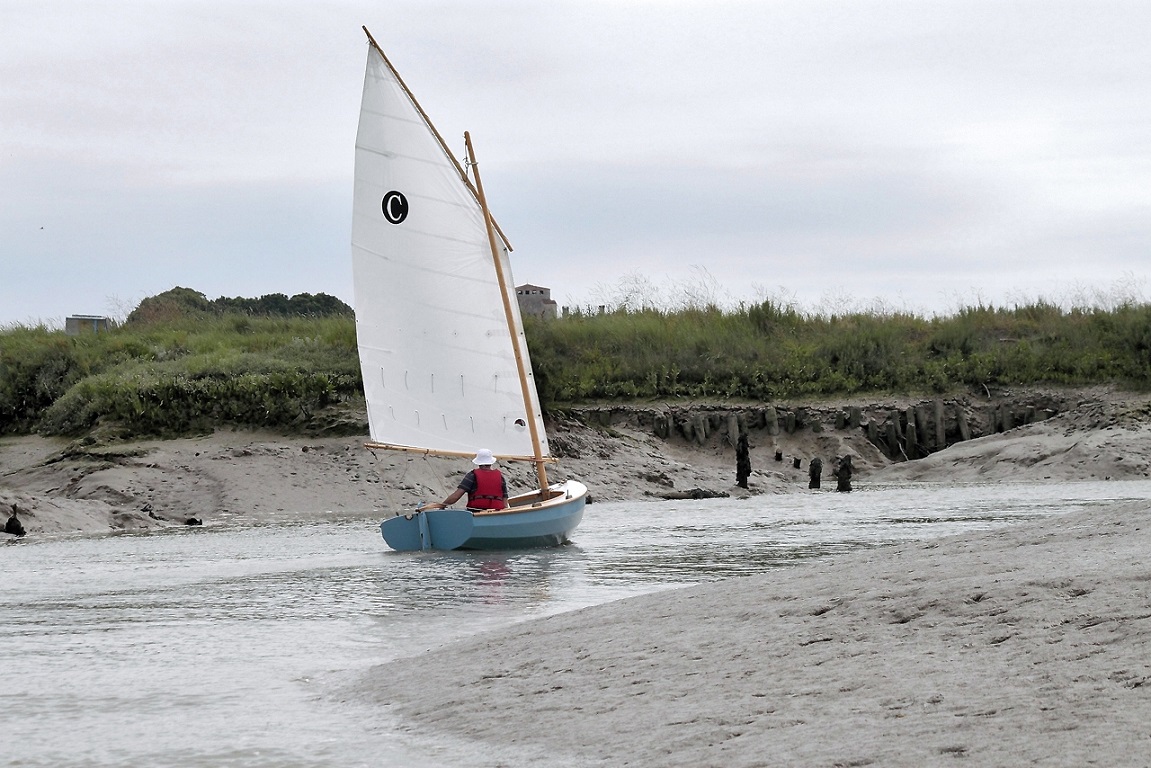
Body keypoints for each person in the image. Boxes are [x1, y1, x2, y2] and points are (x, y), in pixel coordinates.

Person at [422, 449, 508, 511]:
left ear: (478, 462)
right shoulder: (500, 477)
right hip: (496, 513)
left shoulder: (472, 475)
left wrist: (443, 505)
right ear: (491, 462)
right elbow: (504, 501)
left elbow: (456, 496)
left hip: (476, 512)